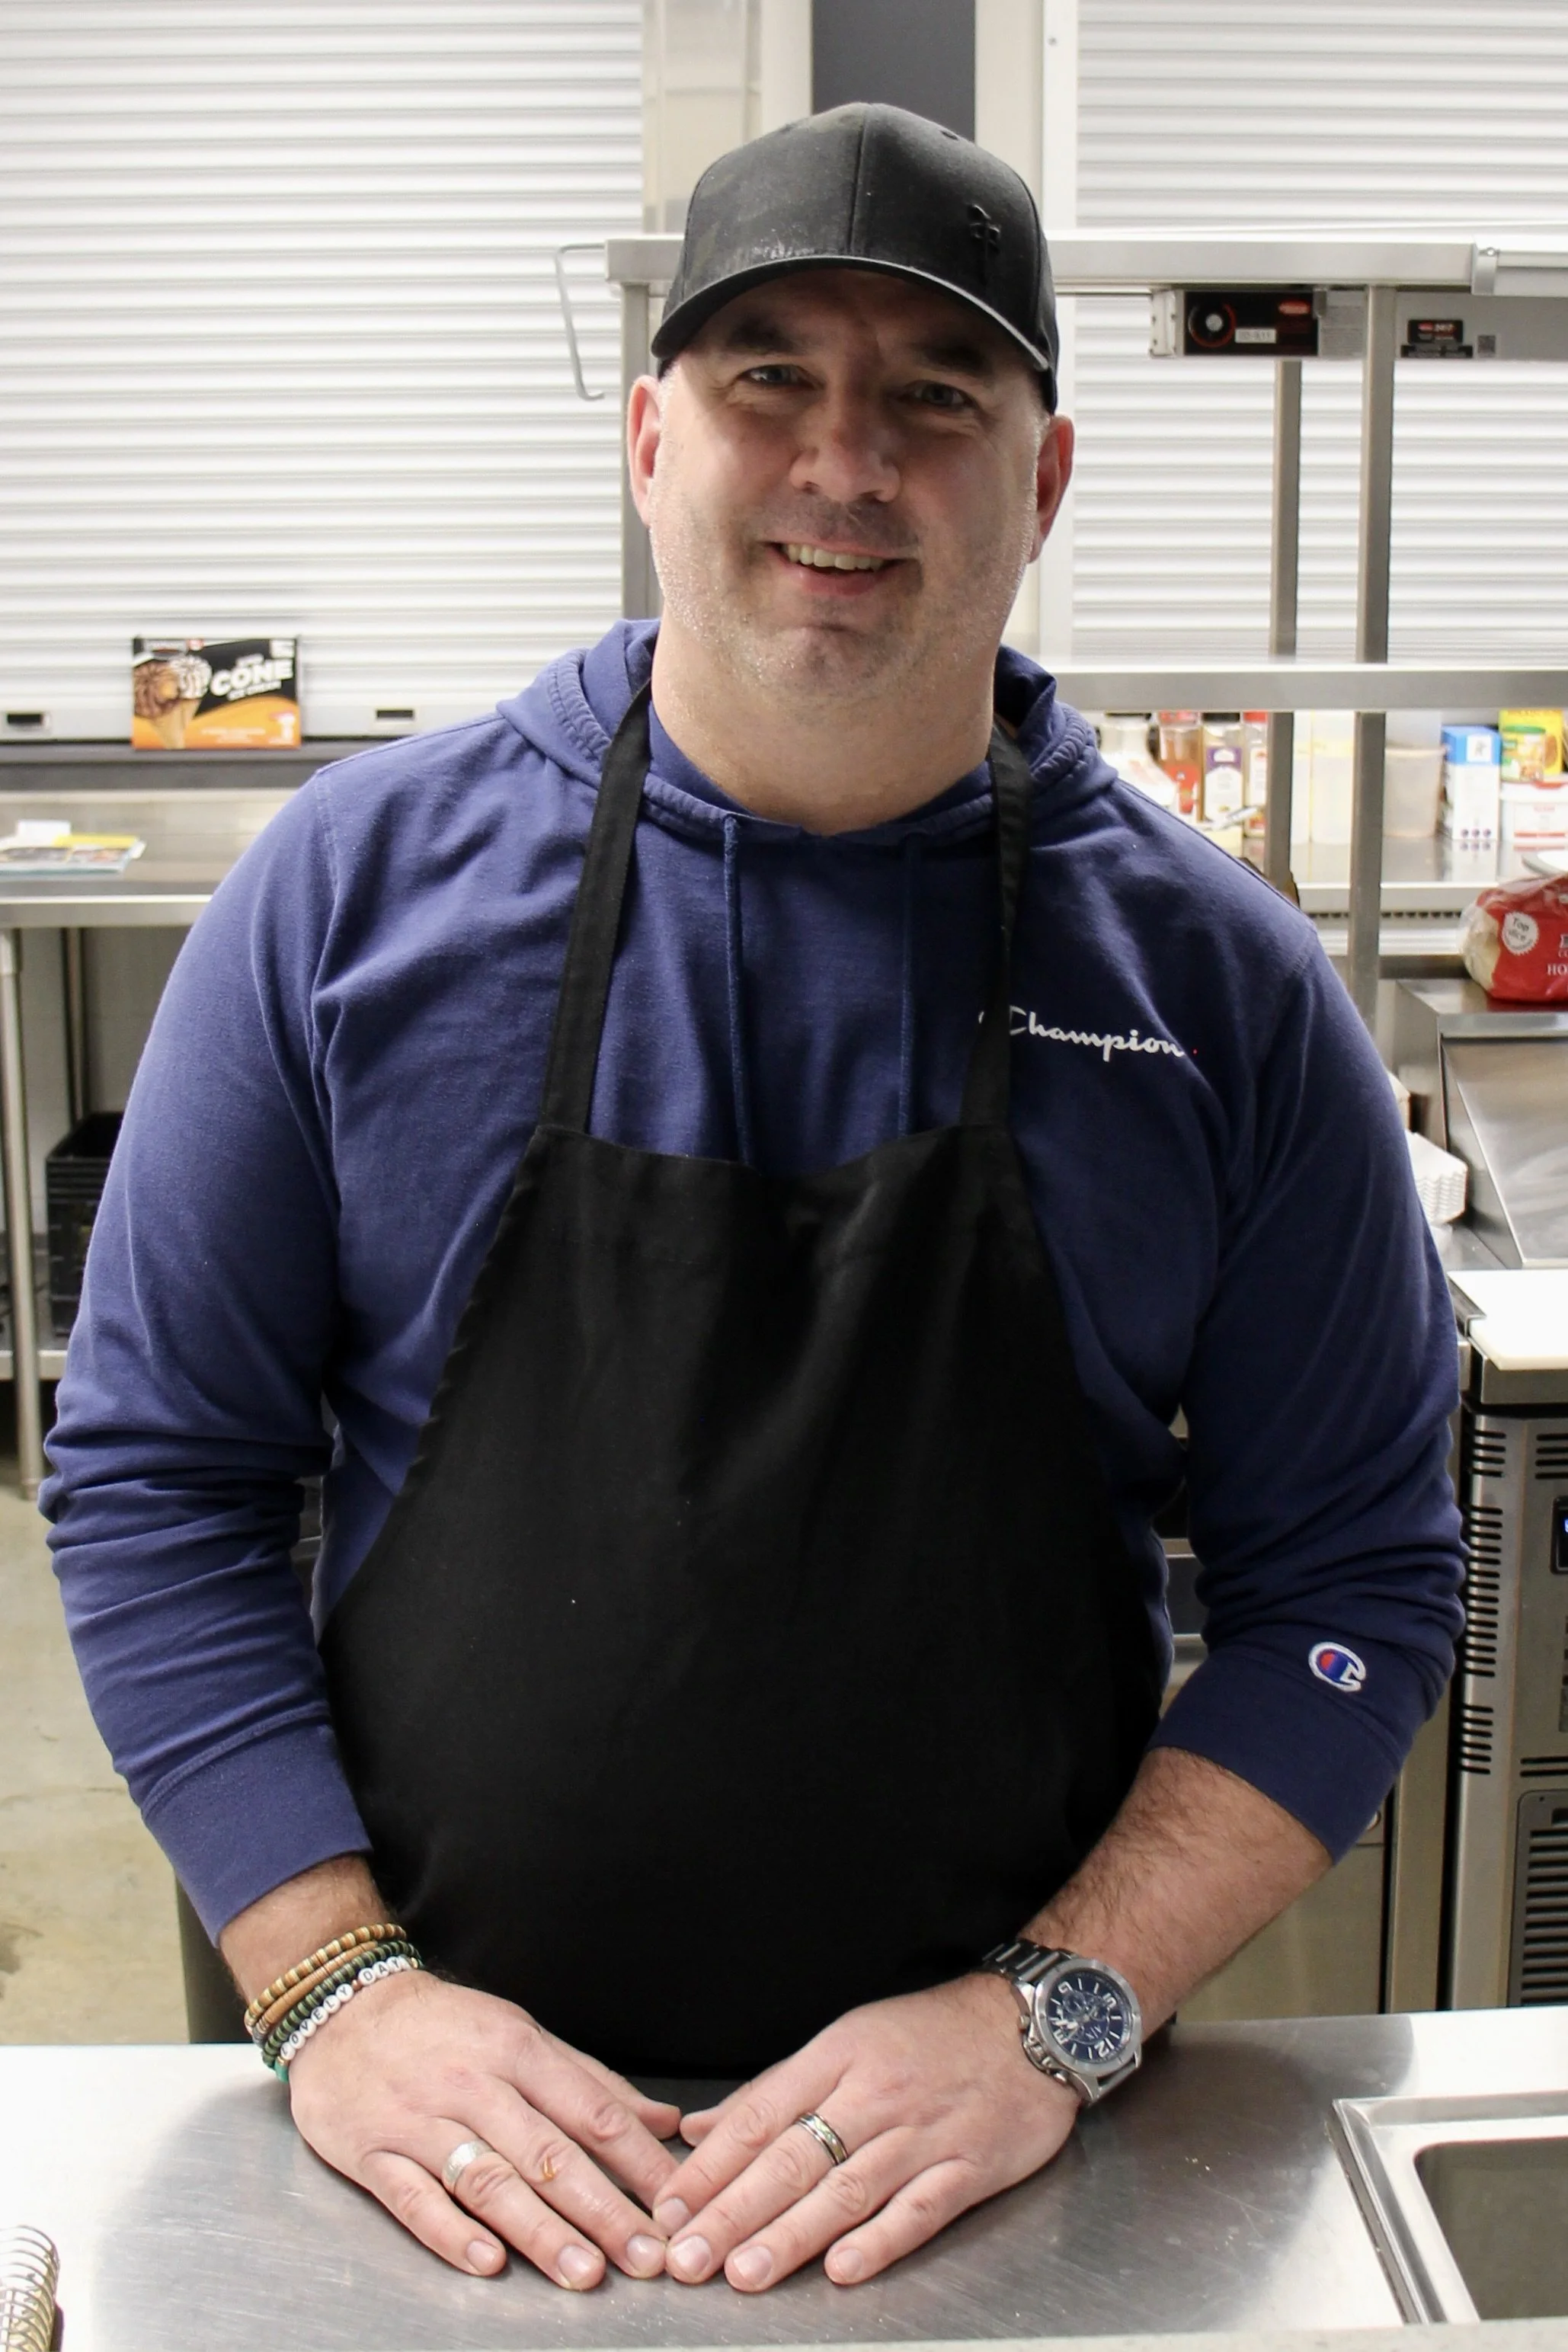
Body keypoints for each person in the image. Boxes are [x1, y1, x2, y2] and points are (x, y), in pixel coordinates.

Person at [44, 103, 1463, 2301]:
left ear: (1045, 478)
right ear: (647, 439)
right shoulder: (344, 902)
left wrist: (1054, 2013)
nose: (844, 461)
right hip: (432, 2170)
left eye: (935, 396)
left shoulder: (1221, 988)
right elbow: (155, 1482)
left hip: (1007, 2175)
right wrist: (330, 1981)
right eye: (768, 378)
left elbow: (1356, 1583)